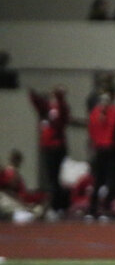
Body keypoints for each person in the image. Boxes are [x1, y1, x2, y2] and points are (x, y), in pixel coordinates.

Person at [87, 86, 115, 219]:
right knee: (111, 181)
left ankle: (94, 208)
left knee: (98, 180)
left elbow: (91, 131)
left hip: (100, 149)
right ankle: (104, 207)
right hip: (112, 150)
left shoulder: (95, 112)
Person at [28, 85, 70, 214]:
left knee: (55, 178)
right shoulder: (46, 108)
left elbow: (62, 113)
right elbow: (37, 102)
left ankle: (57, 206)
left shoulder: (60, 108)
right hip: (48, 146)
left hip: (57, 147)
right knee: (51, 178)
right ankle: (55, 205)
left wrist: (58, 96)